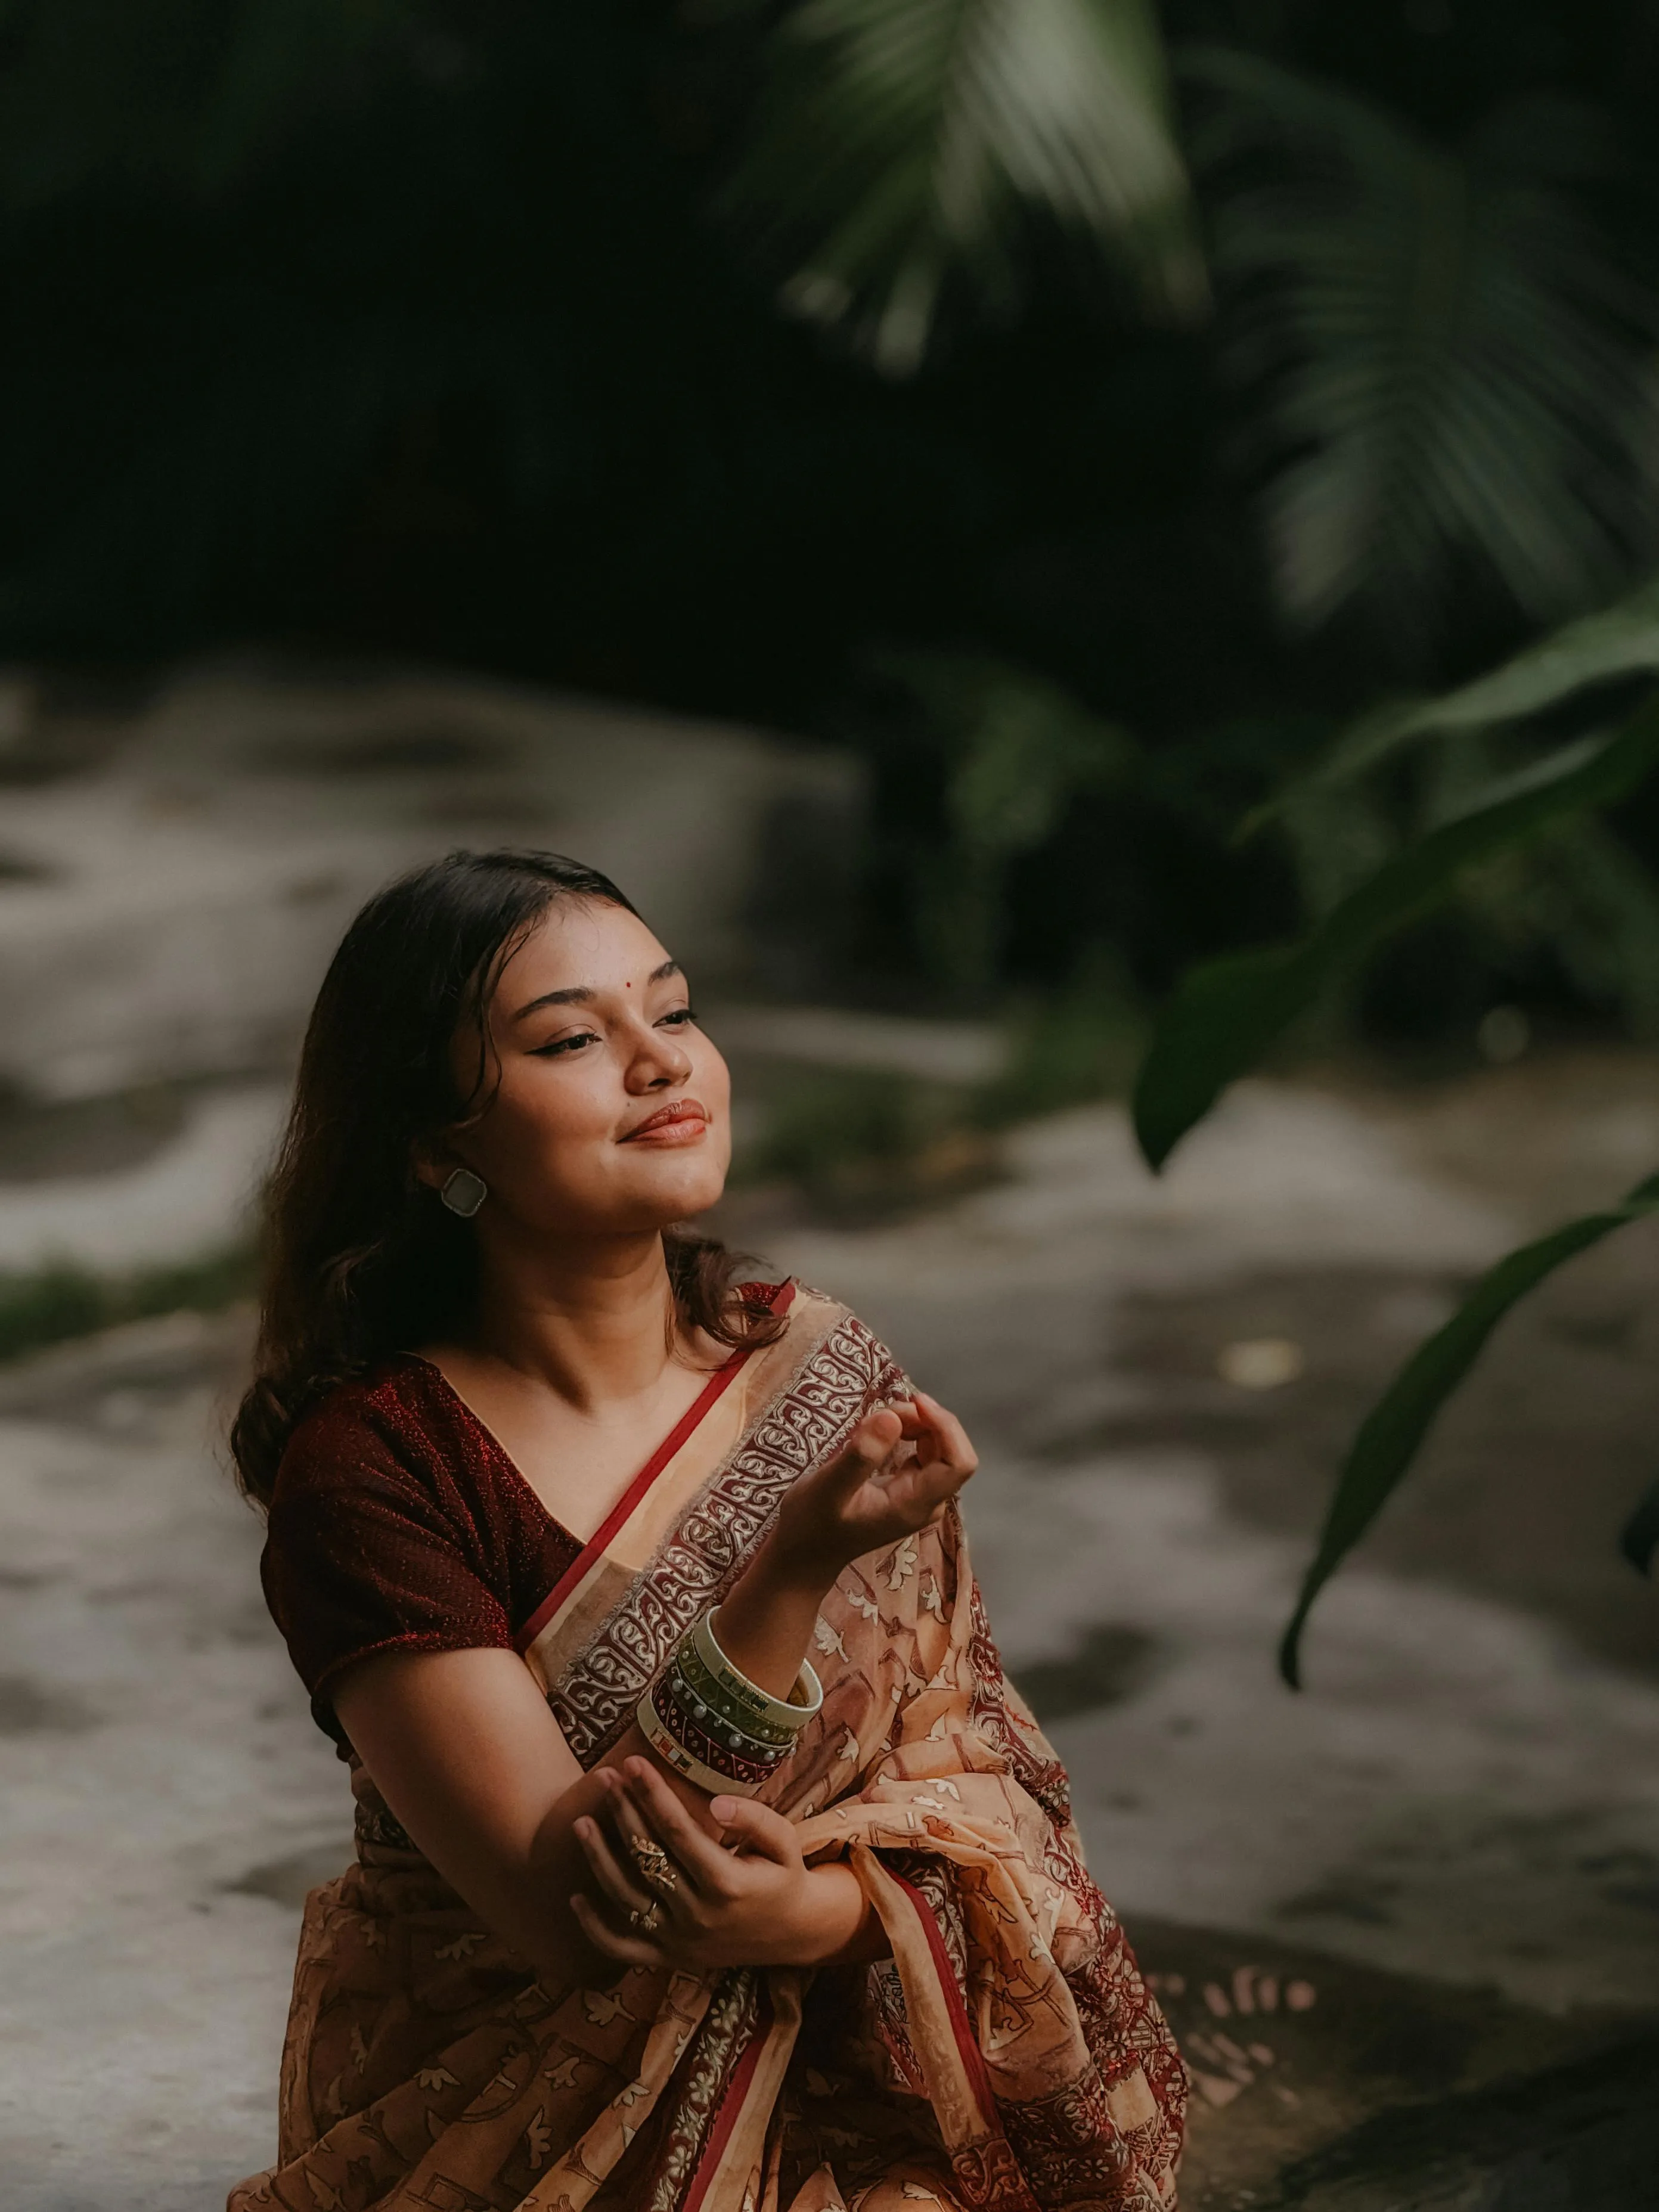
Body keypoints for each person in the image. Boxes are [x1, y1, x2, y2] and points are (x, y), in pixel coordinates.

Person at [227, 849, 1185, 2212]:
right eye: (570, 1037)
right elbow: (571, 1913)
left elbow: (976, 1784)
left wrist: (814, 1915)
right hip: (521, 2123)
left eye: (671, 1013)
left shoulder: (814, 1369)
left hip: (855, 2084)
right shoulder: (379, 1467)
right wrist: (786, 1565)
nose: (657, 1062)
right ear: (437, 1146)